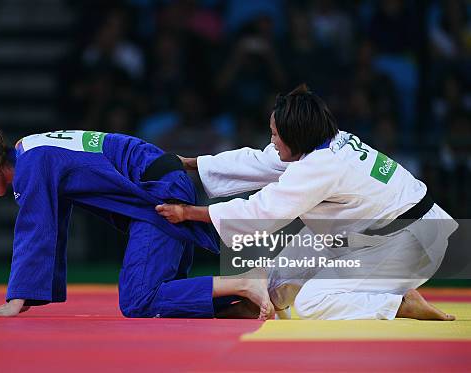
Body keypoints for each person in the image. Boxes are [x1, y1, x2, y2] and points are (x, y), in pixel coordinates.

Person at [0, 114, 274, 320]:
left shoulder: (33, 164)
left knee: (140, 299)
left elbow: (37, 229)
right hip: (158, 181)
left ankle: (245, 282)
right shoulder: (32, 151)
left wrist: (16, 299)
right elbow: (53, 222)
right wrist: (27, 295)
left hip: (157, 188)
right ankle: (238, 306)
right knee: (163, 300)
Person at [156, 84, 458, 321]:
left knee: (314, 302)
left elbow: (259, 211)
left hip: (410, 241)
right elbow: (260, 161)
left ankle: (399, 302)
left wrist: (188, 213)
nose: (272, 140)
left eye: (275, 134)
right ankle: (259, 306)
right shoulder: (322, 143)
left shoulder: (320, 167)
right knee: (277, 278)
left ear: (295, 134)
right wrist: (191, 163)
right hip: (372, 229)